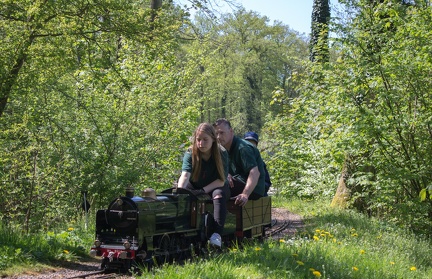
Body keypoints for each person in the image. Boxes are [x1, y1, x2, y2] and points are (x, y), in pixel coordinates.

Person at [177, 123, 229, 248]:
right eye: (198, 140)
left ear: (213, 139)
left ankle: (216, 234)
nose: (201, 143)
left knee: (219, 195)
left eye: (205, 140)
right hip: (195, 186)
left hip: (216, 186)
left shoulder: (221, 153)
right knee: (183, 195)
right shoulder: (190, 153)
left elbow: (221, 181)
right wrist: (179, 192)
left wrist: (202, 191)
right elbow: (185, 175)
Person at [213, 118, 266, 207]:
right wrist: (226, 174)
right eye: (216, 134)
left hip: (254, 189)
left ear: (231, 131)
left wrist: (245, 194)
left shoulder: (243, 148)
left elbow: (255, 173)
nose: (218, 137)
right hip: (237, 182)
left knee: (220, 186)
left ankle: (217, 219)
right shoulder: (222, 149)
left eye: (222, 133)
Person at [244, 131, 272, 196]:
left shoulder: (260, 162)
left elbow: (267, 182)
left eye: (252, 143)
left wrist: (257, 186)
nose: (250, 146)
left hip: (258, 191)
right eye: (247, 143)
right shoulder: (241, 158)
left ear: (256, 145)